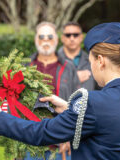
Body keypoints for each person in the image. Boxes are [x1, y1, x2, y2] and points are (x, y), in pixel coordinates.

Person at [0, 22, 120, 160]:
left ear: (100, 61)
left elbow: (42, 133)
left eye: (90, 61)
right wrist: (69, 108)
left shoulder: (91, 103)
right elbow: (112, 122)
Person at [27, 21, 81, 160]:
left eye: (50, 37)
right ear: (35, 40)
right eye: (42, 37)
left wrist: (69, 136)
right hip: (29, 143)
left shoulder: (68, 68)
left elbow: (77, 104)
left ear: (56, 40)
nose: (46, 41)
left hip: (61, 143)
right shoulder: (25, 67)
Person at [58, 22, 96, 91]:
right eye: (68, 35)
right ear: (62, 38)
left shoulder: (92, 61)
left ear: (81, 37)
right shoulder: (54, 61)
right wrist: (75, 78)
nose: (72, 38)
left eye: (75, 35)